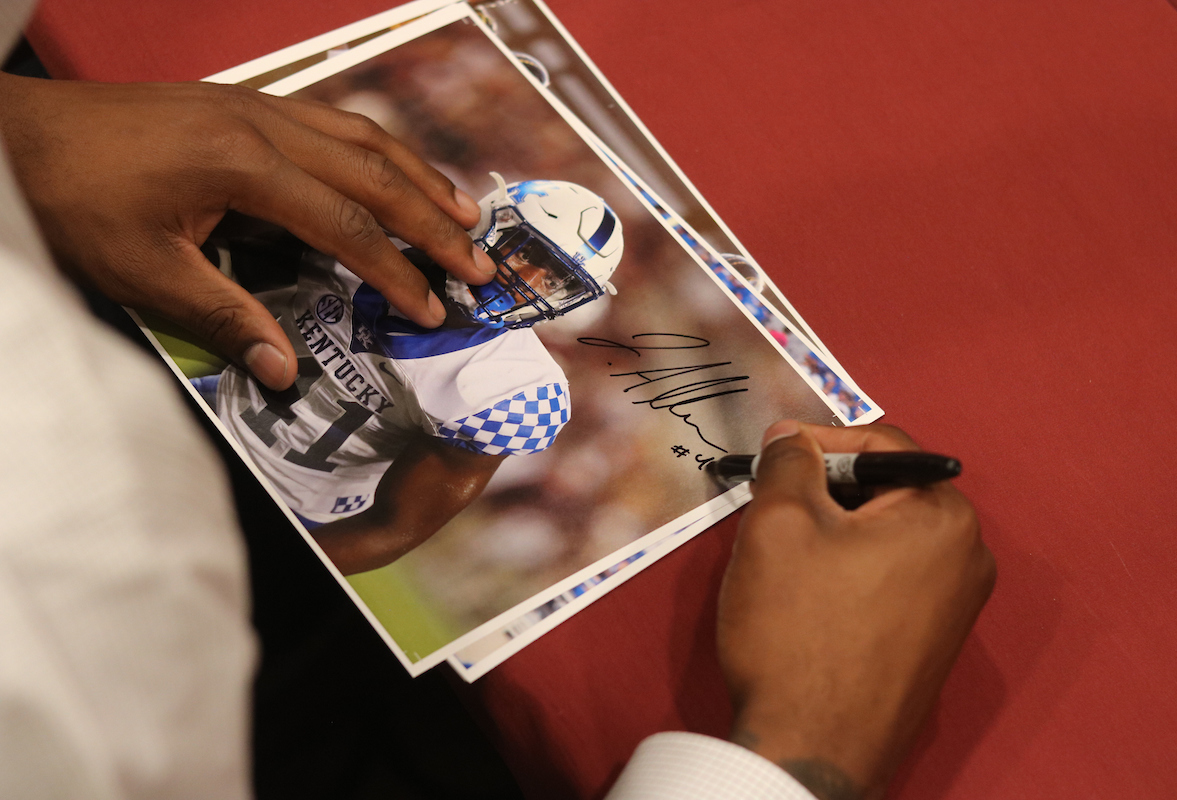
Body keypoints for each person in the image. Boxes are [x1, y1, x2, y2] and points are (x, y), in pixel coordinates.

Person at [0, 6, 995, 799]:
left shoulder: (507, 386)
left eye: (545, 270)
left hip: (287, 498)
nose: (519, 277)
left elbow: (398, 521)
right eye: (521, 250)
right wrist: (798, 756)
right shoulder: (363, 259)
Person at [200, 174, 622, 574]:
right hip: (212, 404)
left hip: (286, 503)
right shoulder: (370, 235)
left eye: (554, 279)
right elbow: (230, 260)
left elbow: (392, 528)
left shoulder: (513, 392)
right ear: (495, 218)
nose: (526, 282)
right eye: (528, 252)